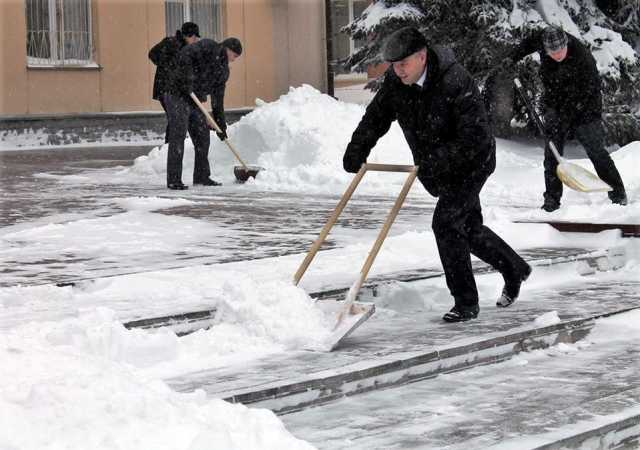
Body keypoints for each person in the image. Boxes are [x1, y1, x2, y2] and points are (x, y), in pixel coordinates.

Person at [342, 27, 531, 322]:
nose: (397, 70)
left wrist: (436, 159)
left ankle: (466, 302)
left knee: (445, 224)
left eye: (403, 64)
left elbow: (475, 137)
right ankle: (513, 268)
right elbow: (376, 117)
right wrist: (357, 149)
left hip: (472, 163)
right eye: (393, 65)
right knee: (467, 228)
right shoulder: (396, 83)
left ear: (422, 57)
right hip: (437, 167)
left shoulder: (455, 81)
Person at [507, 25, 627, 211]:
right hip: (556, 102)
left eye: (560, 51)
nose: (556, 55)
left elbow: (586, 92)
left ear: (566, 44)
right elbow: (528, 43)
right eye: (551, 53)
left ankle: (618, 193)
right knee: (552, 154)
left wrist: (565, 117)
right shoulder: (543, 39)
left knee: (596, 151)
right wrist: (511, 57)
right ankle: (552, 200)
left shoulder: (582, 59)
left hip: (586, 106)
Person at [163, 37, 242, 190]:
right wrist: (186, 77)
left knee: (202, 137)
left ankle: (201, 176)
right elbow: (185, 54)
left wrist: (220, 125)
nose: (234, 59)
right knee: (178, 134)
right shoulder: (208, 46)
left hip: (194, 99)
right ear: (228, 48)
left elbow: (218, 100)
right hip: (177, 92)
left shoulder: (223, 71)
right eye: (235, 55)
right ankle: (174, 179)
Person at [148, 22, 200, 143]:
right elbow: (152, 54)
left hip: (176, 89)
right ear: (187, 35)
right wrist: (168, 67)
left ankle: (170, 147)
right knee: (176, 117)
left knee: (176, 117)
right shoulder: (171, 42)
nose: (196, 39)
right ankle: (170, 147)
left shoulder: (186, 48)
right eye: (194, 36)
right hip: (165, 88)